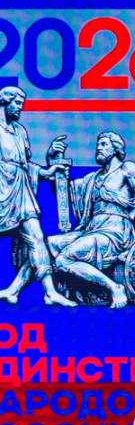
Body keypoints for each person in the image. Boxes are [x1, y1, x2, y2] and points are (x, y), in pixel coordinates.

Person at [49, 131, 135, 308]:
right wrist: (54, 163)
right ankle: (59, 293)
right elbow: (65, 194)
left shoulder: (126, 169)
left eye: (104, 144)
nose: (98, 148)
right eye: (97, 144)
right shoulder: (93, 178)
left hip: (115, 231)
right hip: (92, 228)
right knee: (50, 244)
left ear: (116, 148)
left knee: (63, 260)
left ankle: (114, 287)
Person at [0, 86, 75, 306]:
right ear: (4, 102)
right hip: (1, 188)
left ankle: (49, 292)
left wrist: (47, 171)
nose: (20, 108)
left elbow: (26, 166)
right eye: (17, 103)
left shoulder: (20, 131)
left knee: (37, 238)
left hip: (21, 192)